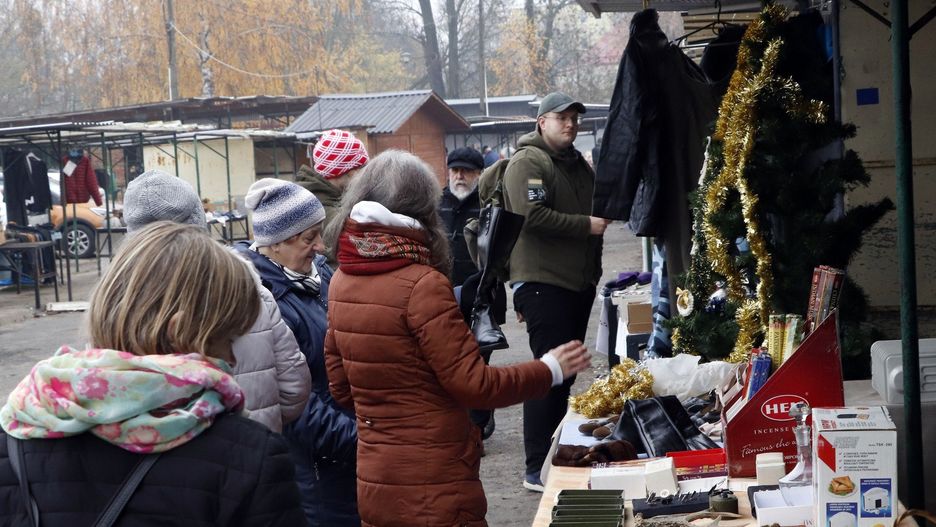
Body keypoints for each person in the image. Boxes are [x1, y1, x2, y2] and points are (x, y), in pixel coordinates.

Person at [323, 150, 591, 527]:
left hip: (376, 481)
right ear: (422, 209)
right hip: (435, 485)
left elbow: (342, 389)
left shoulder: (340, 281)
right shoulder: (422, 284)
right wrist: (549, 369)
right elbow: (476, 386)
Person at [0, 222, 306, 525]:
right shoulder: (249, 459)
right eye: (227, 340)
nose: (232, 358)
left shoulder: (16, 431)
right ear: (179, 332)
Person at [123, 169, 311, 434]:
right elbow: (294, 388)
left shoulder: (119, 303)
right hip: (253, 449)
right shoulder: (247, 284)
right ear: (199, 222)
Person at [502, 92, 609, 492]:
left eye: (575, 119)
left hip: (575, 283)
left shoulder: (576, 164)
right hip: (544, 283)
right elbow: (532, 216)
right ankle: (535, 467)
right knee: (546, 374)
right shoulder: (529, 162)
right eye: (561, 118)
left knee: (562, 377)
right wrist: (589, 225)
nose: (570, 124)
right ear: (541, 121)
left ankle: (553, 456)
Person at [235, 178, 358, 526]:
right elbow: (295, 406)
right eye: (309, 238)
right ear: (275, 244)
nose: (321, 247)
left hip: (346, 449)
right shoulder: (265, 302)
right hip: (316, 465)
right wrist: (362, 441)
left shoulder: (318, 275)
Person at [296, 129, 369, 267]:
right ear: (348, 171)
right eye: (361, 168)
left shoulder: (332, 201)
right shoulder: (323, 213)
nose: (365, 176)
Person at [439, 146, 483, 287]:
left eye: (466, 171)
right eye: (455, 170)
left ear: (479, 174)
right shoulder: (436, 203)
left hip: (480, 287)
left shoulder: (487, 204)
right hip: (444, 285)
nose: (459, 176)